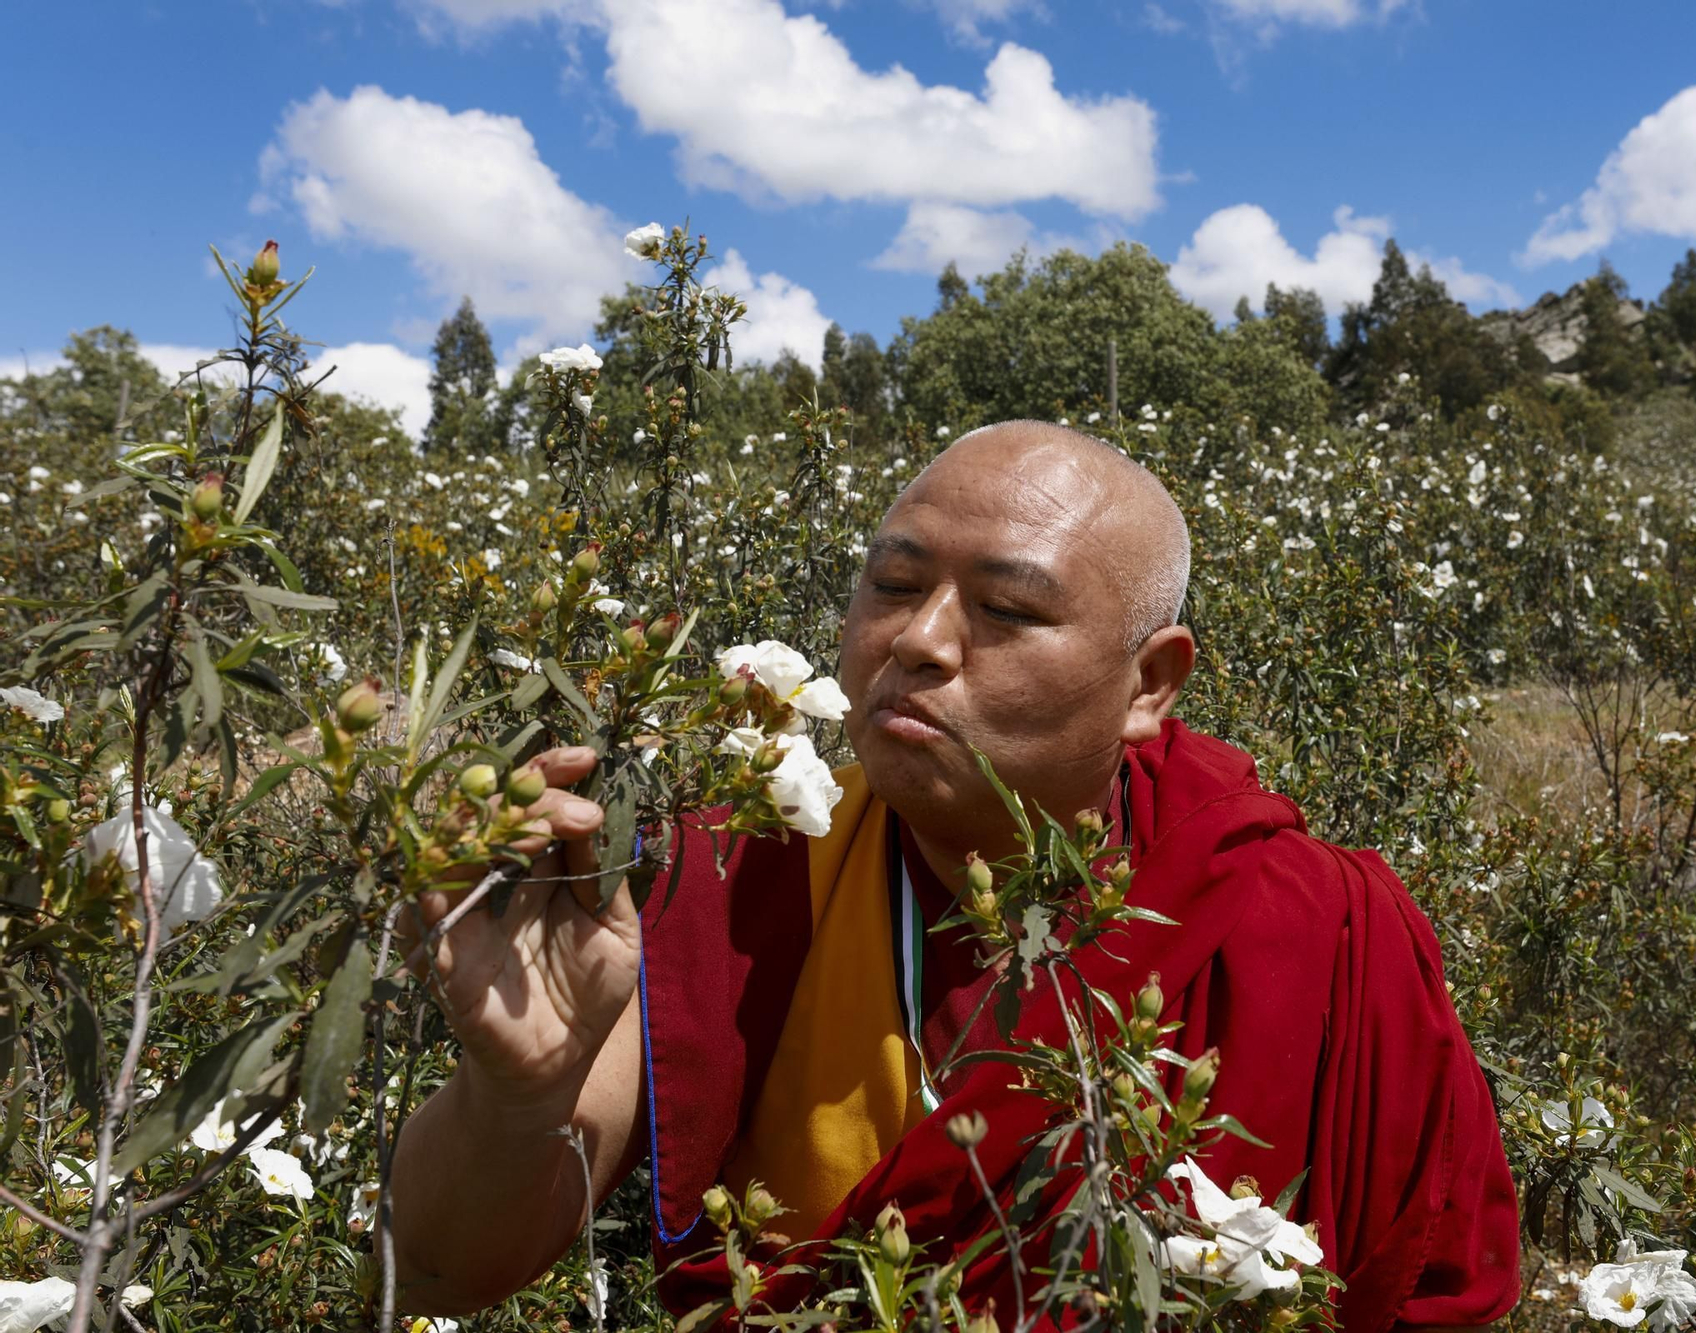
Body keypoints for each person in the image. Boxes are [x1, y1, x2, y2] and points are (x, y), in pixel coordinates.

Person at [390, 421, 1521, 1330]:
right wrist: (517, 1091)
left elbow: (1426, 1288)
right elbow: (436, 1273)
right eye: (892, 586)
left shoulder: (1311, 918)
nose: (919, 641)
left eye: (1007, 609)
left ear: (1148, 685)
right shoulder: (732, 880)